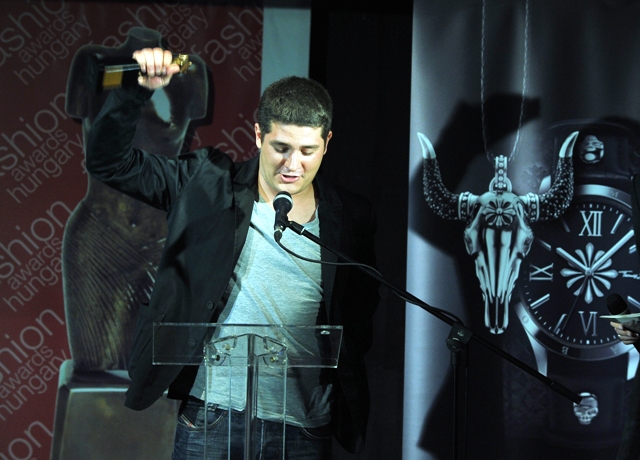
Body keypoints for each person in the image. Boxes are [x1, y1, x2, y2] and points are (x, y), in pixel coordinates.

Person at [84, 47, 380, 459]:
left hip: (302, 424)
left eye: (307, 150)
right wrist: (135, 92)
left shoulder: (350, 216)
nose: (292, 164)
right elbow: (108, 163)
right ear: (258, 135)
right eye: (280, 147)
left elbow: (359, 314)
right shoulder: (207, 184)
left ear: (327, 143)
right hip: (211, 415)